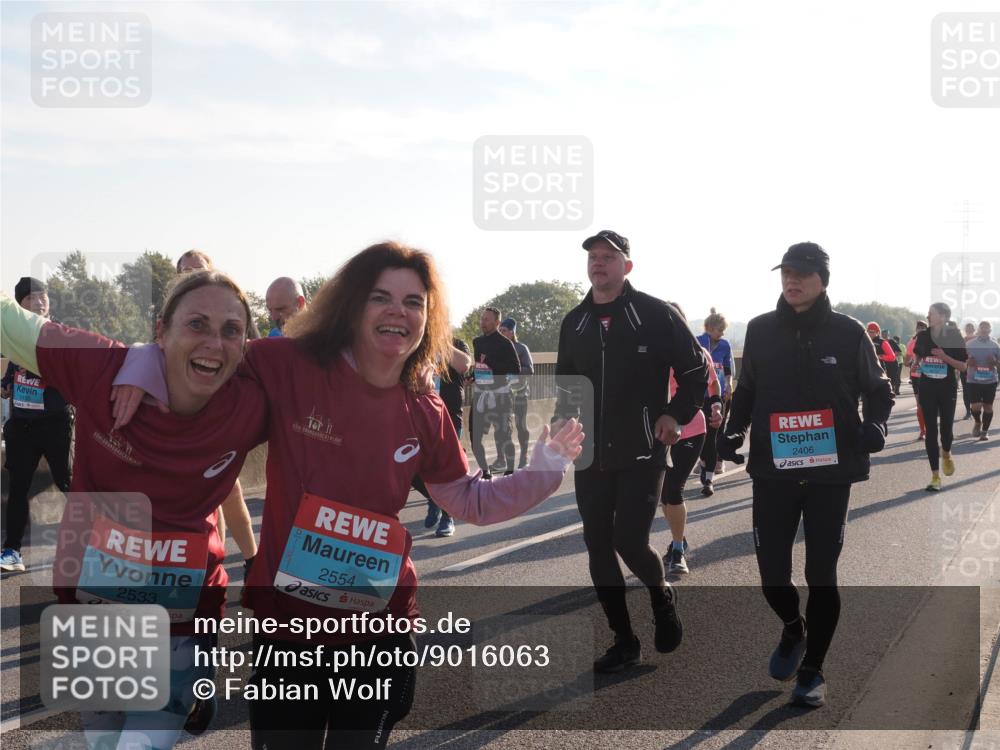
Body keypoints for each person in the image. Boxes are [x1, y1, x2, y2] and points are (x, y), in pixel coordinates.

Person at [112, 241, 584, 749]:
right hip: (289, 633)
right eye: (380, 297)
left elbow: (469, 499)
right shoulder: (291, 364)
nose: (397, 312)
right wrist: (140, 361)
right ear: (353, 306)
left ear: (428, 318)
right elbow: (207, 355)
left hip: (379, 633)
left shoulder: (425, 410)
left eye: (413, 302)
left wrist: (543, 472)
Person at [1, 271, 264, 750]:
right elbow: (6, 319)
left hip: (182, 624)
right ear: (161, 330)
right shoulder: (102, 366)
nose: (214, 343)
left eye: (231, 330)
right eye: (197, 324)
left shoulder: (252, 398)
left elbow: (334, 368)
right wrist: (137, 360)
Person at [717, 242, 893, 708]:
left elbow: (880, 390)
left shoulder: (850, 333)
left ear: (823, 280)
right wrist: (731, 432)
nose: (791, 281)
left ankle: (813, 670)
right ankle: (794, 628)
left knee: (821, 572)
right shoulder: (758, 331)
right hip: (773, 469)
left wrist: (875, 424)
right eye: (786, 273)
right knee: (772, 576)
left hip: (830, 472)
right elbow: (748, 390)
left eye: (802, 274)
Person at [552, 229, 708, 673]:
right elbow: (566, 386)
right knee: (597, 544)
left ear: (627, 266)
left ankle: (660, 592)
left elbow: (696, 372)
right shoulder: (575, 322)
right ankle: (624, 640)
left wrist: (675, 415)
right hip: (590, 454)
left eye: (608, 256)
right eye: (593, 258)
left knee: (629, 542)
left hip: (643, 449)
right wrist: (561, 424)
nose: (598, 263)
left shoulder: (654, 315)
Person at [0, 278, 73, 573]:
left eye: (44, 296)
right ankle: (11, 551)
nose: (40, 302)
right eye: (32, 297)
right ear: (20, 305)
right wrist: (6, 386)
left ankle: (97, 543)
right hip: (22, 426)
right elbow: (9, 380)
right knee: (18, 487)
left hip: (55, 422)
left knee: (68, 481)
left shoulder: (59, 333)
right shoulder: (15, 338)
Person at [661, 303, 723, 575]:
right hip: (657, 432)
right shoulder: (649, 352)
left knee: (673, 489)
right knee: (662, 493)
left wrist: (717, 405)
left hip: (691, 428)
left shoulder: (698, 352)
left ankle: (677, 550)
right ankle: (680, 537)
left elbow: (712, 383)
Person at [415, 338, 473, 537]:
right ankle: (434, 499)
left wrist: (441, 344)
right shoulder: (416, 341)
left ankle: (448, 517)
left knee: (448, 471)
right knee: (414, 468)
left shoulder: (457, 344)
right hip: (420, 416)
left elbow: (465, 365)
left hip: (449, 417)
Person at [913, 303, 968, 491]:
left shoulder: (954, 336)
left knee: (946, 429)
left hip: (947, 389)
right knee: (930, 431)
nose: (928, 315)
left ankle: (946, 452)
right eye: (928, 312)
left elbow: (963, 367)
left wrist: (944, 356)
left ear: (943, 316)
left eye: (932, 313)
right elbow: (918, 356)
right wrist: (917, 363)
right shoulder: (923, 336)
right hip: (927, 387)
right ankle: (935, 477)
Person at [470, 306, 521, 477]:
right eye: (482, 319)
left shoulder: (506, 344)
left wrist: (493, 368)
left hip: (500, 395)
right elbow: (480, 365)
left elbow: (516, 368)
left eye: (486, 319)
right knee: (475, 438)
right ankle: (485, 472)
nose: (482, 322)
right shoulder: (477, 342)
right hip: (481, 394)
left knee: (503, 436)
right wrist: (473, 375)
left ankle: (511, 471)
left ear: (497, 323)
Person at [696, 308, 735, 495]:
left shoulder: (725, 345)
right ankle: (703, 460)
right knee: (701, 435)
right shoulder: (698, 342)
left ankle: (709, 475)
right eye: (720, 329)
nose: (722, 333)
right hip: (698, 395)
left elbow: (727, 368)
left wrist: (728, 384)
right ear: (709, 328)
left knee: (714, 433)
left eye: (723, 330)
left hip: (717, 395)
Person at [499, 317, 535, 469]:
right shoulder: (496, 348)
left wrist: (513, 371)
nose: (501, 333)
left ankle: (524, 455)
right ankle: (503, 458)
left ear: (512, 333)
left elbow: (530, 370)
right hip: (502, 393)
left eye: (504, 331)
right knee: (502, 426)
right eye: (499, 330)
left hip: (520, 393)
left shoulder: (521, 348)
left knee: (521, 426)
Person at [966, 320, 999, 441]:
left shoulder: (995, 345)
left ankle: (984, 432)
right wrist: (968, 362)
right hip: (973, 380)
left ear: (990, 330)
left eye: (987, 328)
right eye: (982, 328)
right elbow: (962, 361)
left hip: (990, 380)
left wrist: (995, 362)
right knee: (975, 406)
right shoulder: (969, 344)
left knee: (988, 407)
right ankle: (977, 422)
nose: (984, 330)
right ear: (978, 329)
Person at [905, 321, 929, 440]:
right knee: (920, 405)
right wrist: (912, 363)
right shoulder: (911, 342)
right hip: (916, 376)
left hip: (930, 376)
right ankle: (922, 431)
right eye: (918, 328)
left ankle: (930, 429)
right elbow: (906, 361)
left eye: (923, 327)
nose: (920, 329)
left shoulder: (931, 341)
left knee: (929, 404)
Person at [962, 322, 977, 419]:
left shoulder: (978, 340)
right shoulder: (962, 340)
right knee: (966, 390)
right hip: (965, 368)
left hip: (976, 369)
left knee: (975, 390)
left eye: (971, 328)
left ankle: (974, 410)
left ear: (974, 330)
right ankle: (968, 411)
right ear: (965, 330)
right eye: (967, 328)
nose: (969, 330)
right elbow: (959, 354)